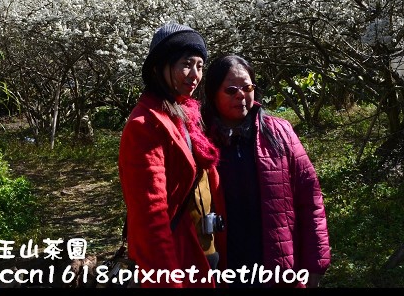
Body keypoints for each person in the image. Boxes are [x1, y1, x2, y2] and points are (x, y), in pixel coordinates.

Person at [201, 54, 331, 288]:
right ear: (213, 93)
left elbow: (310, 198)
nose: (241, 95)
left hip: (276, 268)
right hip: (223, 268)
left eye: (247, 87)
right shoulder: (199, 139)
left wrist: (315, 263)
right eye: (231, 90)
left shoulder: (280, 132)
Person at [118, 22, 226, 288]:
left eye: (200, 65)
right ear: (159, 68)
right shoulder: (145, 125)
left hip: (201, 251)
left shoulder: (184, 115)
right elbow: (150, 217)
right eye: (187, 64)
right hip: (177, 259)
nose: (195, 74)